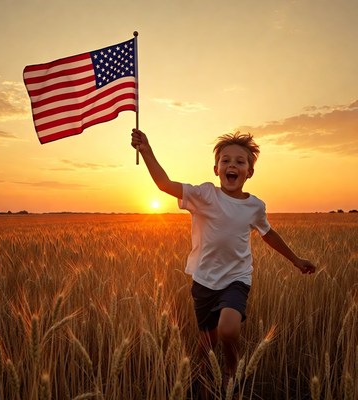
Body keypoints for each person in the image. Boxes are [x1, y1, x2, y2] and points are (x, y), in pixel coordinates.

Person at [131, 128, 316, 395]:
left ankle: (232, 370)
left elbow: (268, 234)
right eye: (226, 160)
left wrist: (296, 260)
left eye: (240, 162)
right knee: (206, 344)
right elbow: (164, 184)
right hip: (204, 280)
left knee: (229, 328)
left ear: (250, 172)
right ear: (216, 169)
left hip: (236, 278)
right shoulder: (204, 195)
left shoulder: (255, 206)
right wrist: (146, 150)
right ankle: (205, 385)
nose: (232, 165)